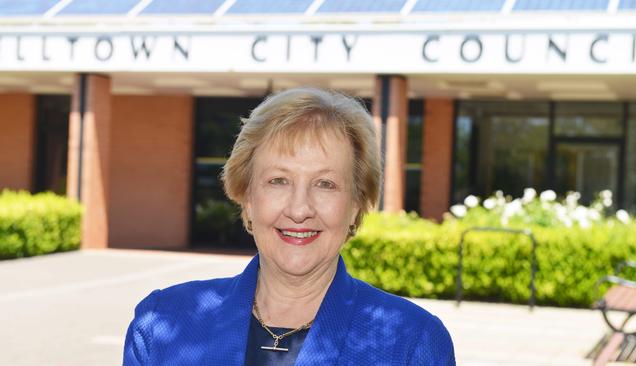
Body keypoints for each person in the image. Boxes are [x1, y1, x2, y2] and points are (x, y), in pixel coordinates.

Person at [122, 87, 455, 365]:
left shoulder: (413, 344)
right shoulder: (161, 324)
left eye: (325, 184)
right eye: (278, 180)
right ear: (247, 197)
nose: (299, 209)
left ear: (355, 206)